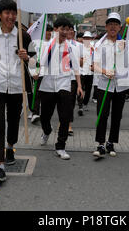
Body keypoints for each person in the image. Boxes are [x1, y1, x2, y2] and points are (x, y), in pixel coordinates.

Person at [0, 0, 34, 184]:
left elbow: (35, 63)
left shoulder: (24, 37)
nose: (10, 16)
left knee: (13, 120)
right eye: (6, 13)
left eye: (13, 13)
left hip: (17, 87)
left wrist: (26, 58)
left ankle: (10, 146)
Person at [36, 17, 84, 160]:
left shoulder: (72, 48)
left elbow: (76, 68)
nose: (64, 32)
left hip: (64, 85)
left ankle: (61, 146)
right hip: (47, 86)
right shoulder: (45, 46)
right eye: (61, 29)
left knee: (65, 117)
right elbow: (40, 63)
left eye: (67, 29)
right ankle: (47, 130)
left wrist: (79, 86)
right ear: (55, 30)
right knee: (45, 116)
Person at [92, 12, 129, 158]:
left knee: (117, 115)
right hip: (103, 85)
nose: (113, 27)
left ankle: (111, 142)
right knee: (102, 114)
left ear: (120, 27)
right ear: (106, 26)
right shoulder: (99, 44)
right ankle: (100, 143)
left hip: (121, 85)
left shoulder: (125, 44)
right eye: (110, 24)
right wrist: (105, 71)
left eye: (116, 24)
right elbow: (93, 65)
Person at [30, 24, 53, 124]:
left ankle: (44, 115)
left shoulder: (54, 43)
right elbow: (32, 58)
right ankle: (35, 113)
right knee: (37, 94)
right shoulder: (36, 43)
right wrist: (33, 72)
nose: (49, 33)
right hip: (38, 72)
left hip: (50, 74)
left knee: (47, 96)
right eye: (47, 30)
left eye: (50, 31)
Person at [67, 26, 83, 135]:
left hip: (73, 77)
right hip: (61, 77)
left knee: (70, 103)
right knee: (62, 103)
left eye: (72, 30)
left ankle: (68, 124)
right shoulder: (59, 43)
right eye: (68, 30)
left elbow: (81, 63)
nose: (70, 32)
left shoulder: (79, 45)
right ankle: (62, 122)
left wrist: (78, 60)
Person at [77, 31, 95, 116]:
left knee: (88, 90)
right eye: (85, 38)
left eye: (88, 38)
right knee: (80, 89)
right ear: (83, 39)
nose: (87, 39)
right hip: (81, 72)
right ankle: (80, 106)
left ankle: (85, 103)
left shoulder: (93, 48)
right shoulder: (80, 47)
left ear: (91, 39)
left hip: (90, 73)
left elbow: (96, 59)